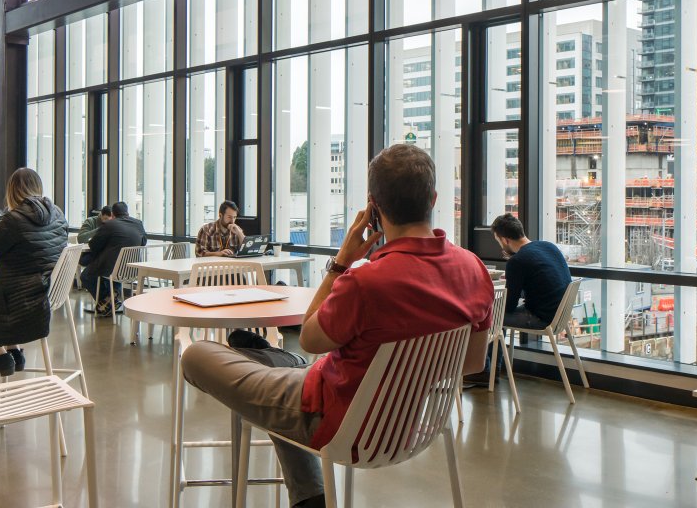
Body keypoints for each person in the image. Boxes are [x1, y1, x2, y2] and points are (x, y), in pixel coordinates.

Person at [180, 145, 494, 508]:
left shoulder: (366, 282)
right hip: (408, 427)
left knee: (197, 354)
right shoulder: (473, 268)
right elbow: (472, 364)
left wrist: (341, 262)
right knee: (280, 369)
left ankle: (273, 366)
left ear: (373, 208)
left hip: (338, 421)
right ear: (434, 198)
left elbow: (311, 337)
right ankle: (273, 365)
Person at [0, 168, 67, 380]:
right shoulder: (58, 213)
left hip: (19, 294)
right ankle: (14, 351)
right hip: (46, 290)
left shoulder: (14, 218)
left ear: (13, 190)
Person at [492, 213, 572, 331]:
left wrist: (491, 304)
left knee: (488, 316)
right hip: (561, 315)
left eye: (498, 241)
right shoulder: (548, 246)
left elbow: (509, 306)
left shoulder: (517, 261)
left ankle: (493, 350)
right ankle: (498, 350)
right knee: (496, 311)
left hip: (542, 318)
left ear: (504, 240)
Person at [80, 201, 147, 317]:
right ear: (127, 212)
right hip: (133, 269)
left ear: (113, 214)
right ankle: (111, 298)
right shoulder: (138, 223)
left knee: (85, 276)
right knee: (100, 268)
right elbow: (143, 242)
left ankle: (110, 300)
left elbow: (93, 245)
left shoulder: (110, 225)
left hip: (112, 269)